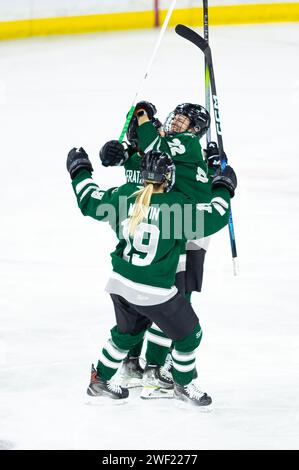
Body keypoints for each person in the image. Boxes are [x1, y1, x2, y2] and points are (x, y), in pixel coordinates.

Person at [67, 146, 237, 406]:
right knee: (190, 335)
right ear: (167, 178)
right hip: (154, 291)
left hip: (121, 285)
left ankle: (99, 380)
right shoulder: (175, 207)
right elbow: (215, 216)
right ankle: (183, 383)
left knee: (126, 334)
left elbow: (89, 200)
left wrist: (79, 170)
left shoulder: (124, 196)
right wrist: (223, 187)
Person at [99, 101, 225, 395]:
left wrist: (213, 166)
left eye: (183, 120)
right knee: (169, 302)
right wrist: (117, 153)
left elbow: (164, 156)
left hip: (183, 234)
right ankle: (153, 368)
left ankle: (140, 365)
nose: (175, 123)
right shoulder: (160, 153)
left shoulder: (176, 149)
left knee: (154, 305)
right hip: (177, 233)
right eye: (175, 118)